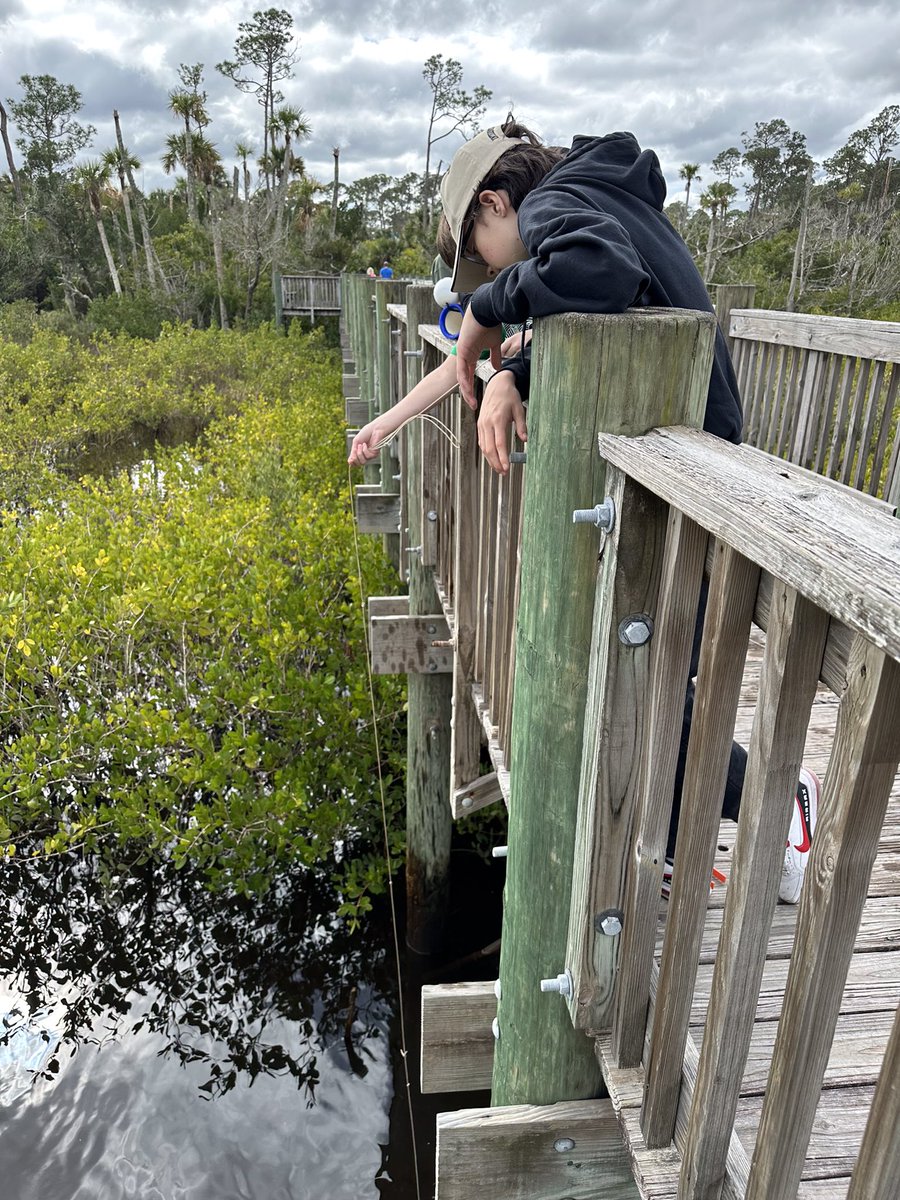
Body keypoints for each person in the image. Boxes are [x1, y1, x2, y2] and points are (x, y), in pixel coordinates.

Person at [435, 119, 819, 903]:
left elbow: (596, 272)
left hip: (681, 482)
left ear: (495, 205)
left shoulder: (557, 205)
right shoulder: (600, 195)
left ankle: (780, 807)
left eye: (480, 255)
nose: (491, 270)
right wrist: (518, 372)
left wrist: (486, 316)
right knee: (647, 681)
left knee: (650, 693)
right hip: (680, 472)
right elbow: (618, 313)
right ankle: (685, 832)